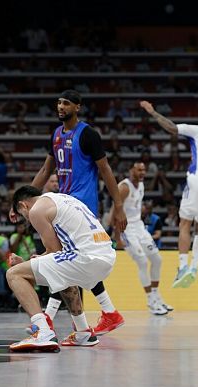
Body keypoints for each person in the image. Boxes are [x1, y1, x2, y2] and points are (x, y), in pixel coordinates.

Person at [12, 90, 127, 335]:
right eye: (58, 103)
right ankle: (106, 313)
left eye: (66, 103)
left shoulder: (88, 134)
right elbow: (45, 169)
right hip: (60, 205)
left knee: (62, 260)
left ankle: (52, 317)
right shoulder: (55, 135)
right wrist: (23, 200)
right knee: (67, 262)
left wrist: (118, 206)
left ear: (77, 107)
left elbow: (105, 170)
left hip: (80, 206)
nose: (61, 106)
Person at [139, 100, 198, 289]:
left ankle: (183, 267)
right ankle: (194, 267)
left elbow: (171, 127)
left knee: (185, 223)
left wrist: (153, 113)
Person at [6, 187, 115, 351]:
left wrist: (23, 266)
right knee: (61, 274)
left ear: (23, 205)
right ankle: (83, 332)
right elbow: (56, 256)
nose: (27, 220)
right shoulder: (60, 199)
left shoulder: (36, 210)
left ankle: (43, 332)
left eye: (23, 215)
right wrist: (30, 264)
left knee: (13, 274)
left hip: (86, 258)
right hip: (106, 256)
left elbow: (54, 251)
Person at [114, 162, 171, 315]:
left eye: (144, 170)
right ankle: (150, 301)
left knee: (157, 259)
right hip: (126, 228)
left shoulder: (141, 185)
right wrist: (117, 237)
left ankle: (156, 296)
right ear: (131, 170)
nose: (142, 172)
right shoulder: (124, 188)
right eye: (139, 170)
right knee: (142, 261)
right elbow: (115, 212)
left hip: (139, 226)